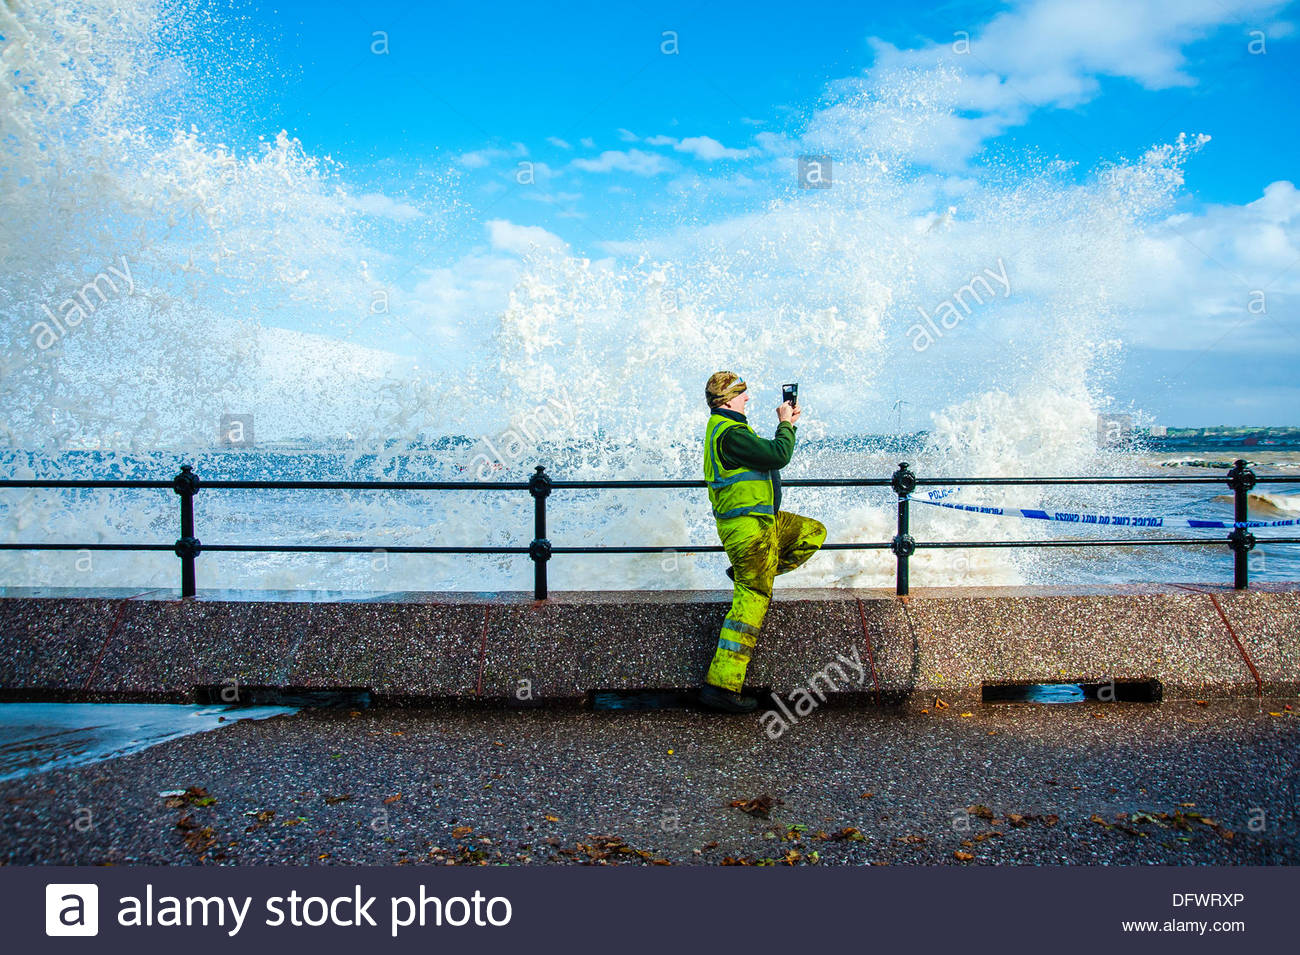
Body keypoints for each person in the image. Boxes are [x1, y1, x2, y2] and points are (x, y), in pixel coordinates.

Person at [698, 371, 827, 713]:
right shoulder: (730, 434)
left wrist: (788, 425)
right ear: (726, 400)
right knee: (752, 600)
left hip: (763, 524)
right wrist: (786, 424)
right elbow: (778, 455)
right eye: (742, 394)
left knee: (811, 533)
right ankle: (721, 686)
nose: (747, 399)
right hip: (747, 530)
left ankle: (752, 571)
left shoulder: (733, 429)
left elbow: (769, 455)